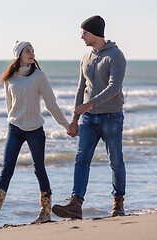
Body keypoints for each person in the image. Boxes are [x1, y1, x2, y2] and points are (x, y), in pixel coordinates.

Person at [0, 41, 70, 226]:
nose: (32, 53)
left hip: (35, 129)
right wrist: (13, 121)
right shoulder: (10, 78)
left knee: (39, 169)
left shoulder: (39, 76)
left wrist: (66, 125)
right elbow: (9, 105)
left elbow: (51, 104)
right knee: (6, 170)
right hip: (15, 129)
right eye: (28, 50)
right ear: (19, 54)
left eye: (33, 50)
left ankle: (45, 212)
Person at [52, 15, 127, 219]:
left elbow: (114, 87)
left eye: (84, 33)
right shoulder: (85, 58)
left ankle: (118, 204)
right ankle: (75, 204)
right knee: (81, 159)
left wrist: (91, 103)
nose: (81, 37)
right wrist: (74, 120)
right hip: (87, 118)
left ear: (94, 33)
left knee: (116, 161)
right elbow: (80, 89)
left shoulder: (115, 55)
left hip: (111, 117)